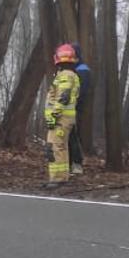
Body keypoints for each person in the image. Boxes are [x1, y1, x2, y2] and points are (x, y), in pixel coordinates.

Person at [44, 44, 82, 189]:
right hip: (66, 118)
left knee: (53, 147)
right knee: (62, 147)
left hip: (60, 118)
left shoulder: (65, 76)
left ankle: (56, 179)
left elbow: (63, 97)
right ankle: (62, 176)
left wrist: (54, 115)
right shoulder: (70, 75)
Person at [68, 45, 91, 176]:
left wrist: (73, 104)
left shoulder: (82, 70)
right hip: (66, 108)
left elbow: (81, 92)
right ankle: (69, 163)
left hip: (74, 109)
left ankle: (77, 163)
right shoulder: (70, 69)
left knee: (73, 136)